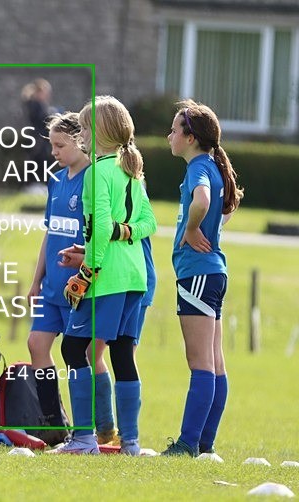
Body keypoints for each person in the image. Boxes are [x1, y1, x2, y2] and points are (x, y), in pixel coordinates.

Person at [49, 96, 156, 455]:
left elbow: (98, 233)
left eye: (85, 127)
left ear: (99, 132)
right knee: (123, 354)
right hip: (135, 278)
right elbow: (147, 224)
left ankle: (82, 439)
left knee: (72, 347)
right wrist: (122, 232)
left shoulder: (97, 172)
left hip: (106, 277)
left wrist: (86, 274)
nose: (81, 134)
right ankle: (131, 443)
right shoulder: (131, 171)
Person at [162, 99, 243, 457]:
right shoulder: (211, 164)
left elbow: (204, 201)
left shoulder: (198, 169)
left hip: (197, 274)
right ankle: (204, 444)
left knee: (200, 363)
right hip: (214, 273)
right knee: (214, 361)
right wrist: (207, 229)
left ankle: (188, 443)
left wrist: (193, 228)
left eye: (174, 130)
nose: (169, 135)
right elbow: (228, 207)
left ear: (190, 137)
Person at [25, 112, 89, 431]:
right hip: (52, 287)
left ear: (81, 141)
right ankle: (52, 423)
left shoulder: (94, 180)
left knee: (79, 357)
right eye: (51, 145)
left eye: (60, 145)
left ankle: (87, 429)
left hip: (80, 287)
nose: (54, 152)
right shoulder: (56, 180)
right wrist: (36, 280)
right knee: (37, 344)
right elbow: (50, 233)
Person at [21, 78, 55, 169]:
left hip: (39, 140)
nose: (48, 95)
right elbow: (43, 120)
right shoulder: (35, 105)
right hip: (39, 141)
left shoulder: (36, 104)